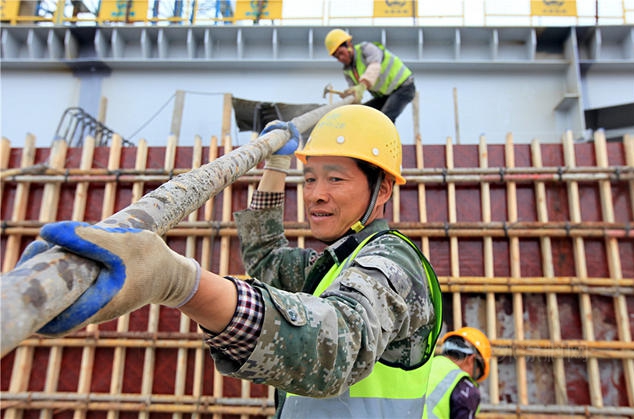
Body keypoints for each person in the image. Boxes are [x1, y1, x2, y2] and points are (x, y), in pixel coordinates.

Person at [19, 105, 442, 418]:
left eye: (336, 179)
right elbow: (265, 257)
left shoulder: (391, 262)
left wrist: (177, 282)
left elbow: (333, 349)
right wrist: (277, 166)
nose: (315, 194)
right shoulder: (335, 263)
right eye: (309, 178)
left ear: (382, 190)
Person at [325, 28, 416, 123]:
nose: (341, 58)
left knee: (385, 118)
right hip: (384, 95)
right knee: (363, 113)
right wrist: (351, 95)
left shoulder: (366, 49)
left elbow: (374, 67)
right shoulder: (347, 70)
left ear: (348, 44)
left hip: (404, 87)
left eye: (341, 53)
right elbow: (356, 91)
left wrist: (363, 85)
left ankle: (386, 138)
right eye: (337, 57)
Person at [425, 327, 492, 419]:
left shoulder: (423, 366)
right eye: (476, 374)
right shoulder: (465, 387)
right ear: (471, 359)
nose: (471, 379)